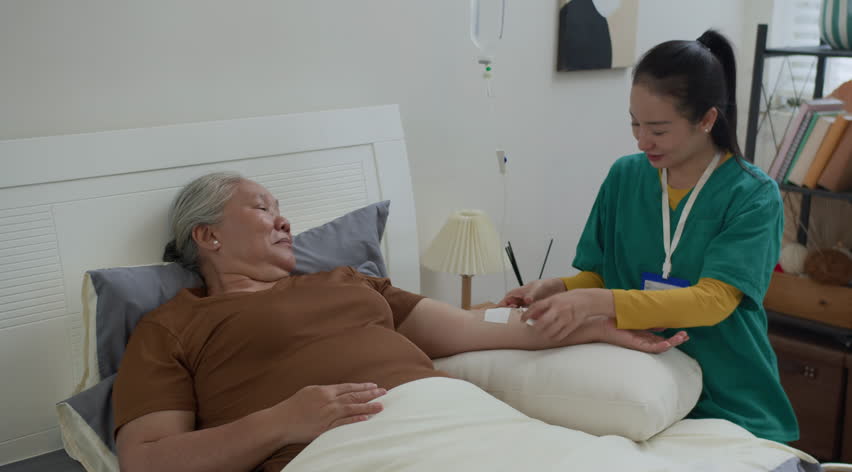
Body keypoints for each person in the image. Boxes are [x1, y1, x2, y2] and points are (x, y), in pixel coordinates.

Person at [112, 172, 688, 472]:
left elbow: (478, 327)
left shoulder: (347, 280)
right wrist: (282, 421)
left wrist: (594, 326)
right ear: (207, 235)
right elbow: (147, 461)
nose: (285, 221)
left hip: (458, 418)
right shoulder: (170, 327)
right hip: (339, 449)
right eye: (263, 207)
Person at [500, 29, 799, 443]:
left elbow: (714, 301)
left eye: (657, 130)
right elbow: (606, 273)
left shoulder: (752, 194)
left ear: (707, 119)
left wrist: (596, 301)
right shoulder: (625, 176)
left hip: (728, 392)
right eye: (635, 124)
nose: (642, 141)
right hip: (633, 379)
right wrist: (558, 288)